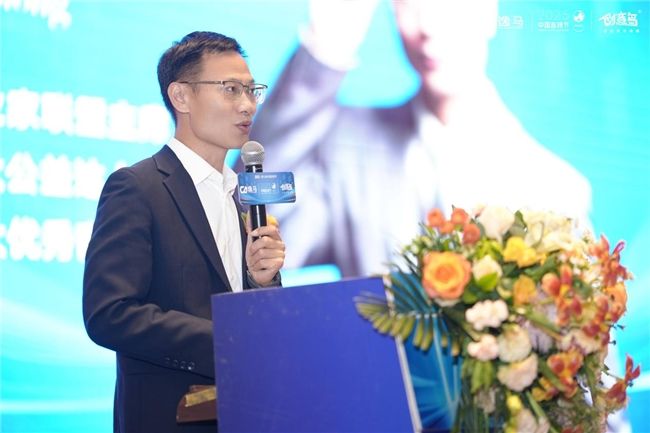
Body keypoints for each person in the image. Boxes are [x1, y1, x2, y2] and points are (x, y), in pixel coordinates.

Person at [250, 0, 592, 278]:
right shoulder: (346, 148)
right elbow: (257, 228)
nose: (427, 26)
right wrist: (324, 51)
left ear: (489, 10)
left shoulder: (556, 189)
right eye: (409, 4)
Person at [83, 31, 285, 433]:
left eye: (252, 90)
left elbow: (245, 313)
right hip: (169, 417)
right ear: (181, 96)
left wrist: (262, 282)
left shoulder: (240, 198)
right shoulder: (138, 187)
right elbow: (109, 313)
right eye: (231, 89)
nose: (247, 105)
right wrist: (225, 340)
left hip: (246, 414)